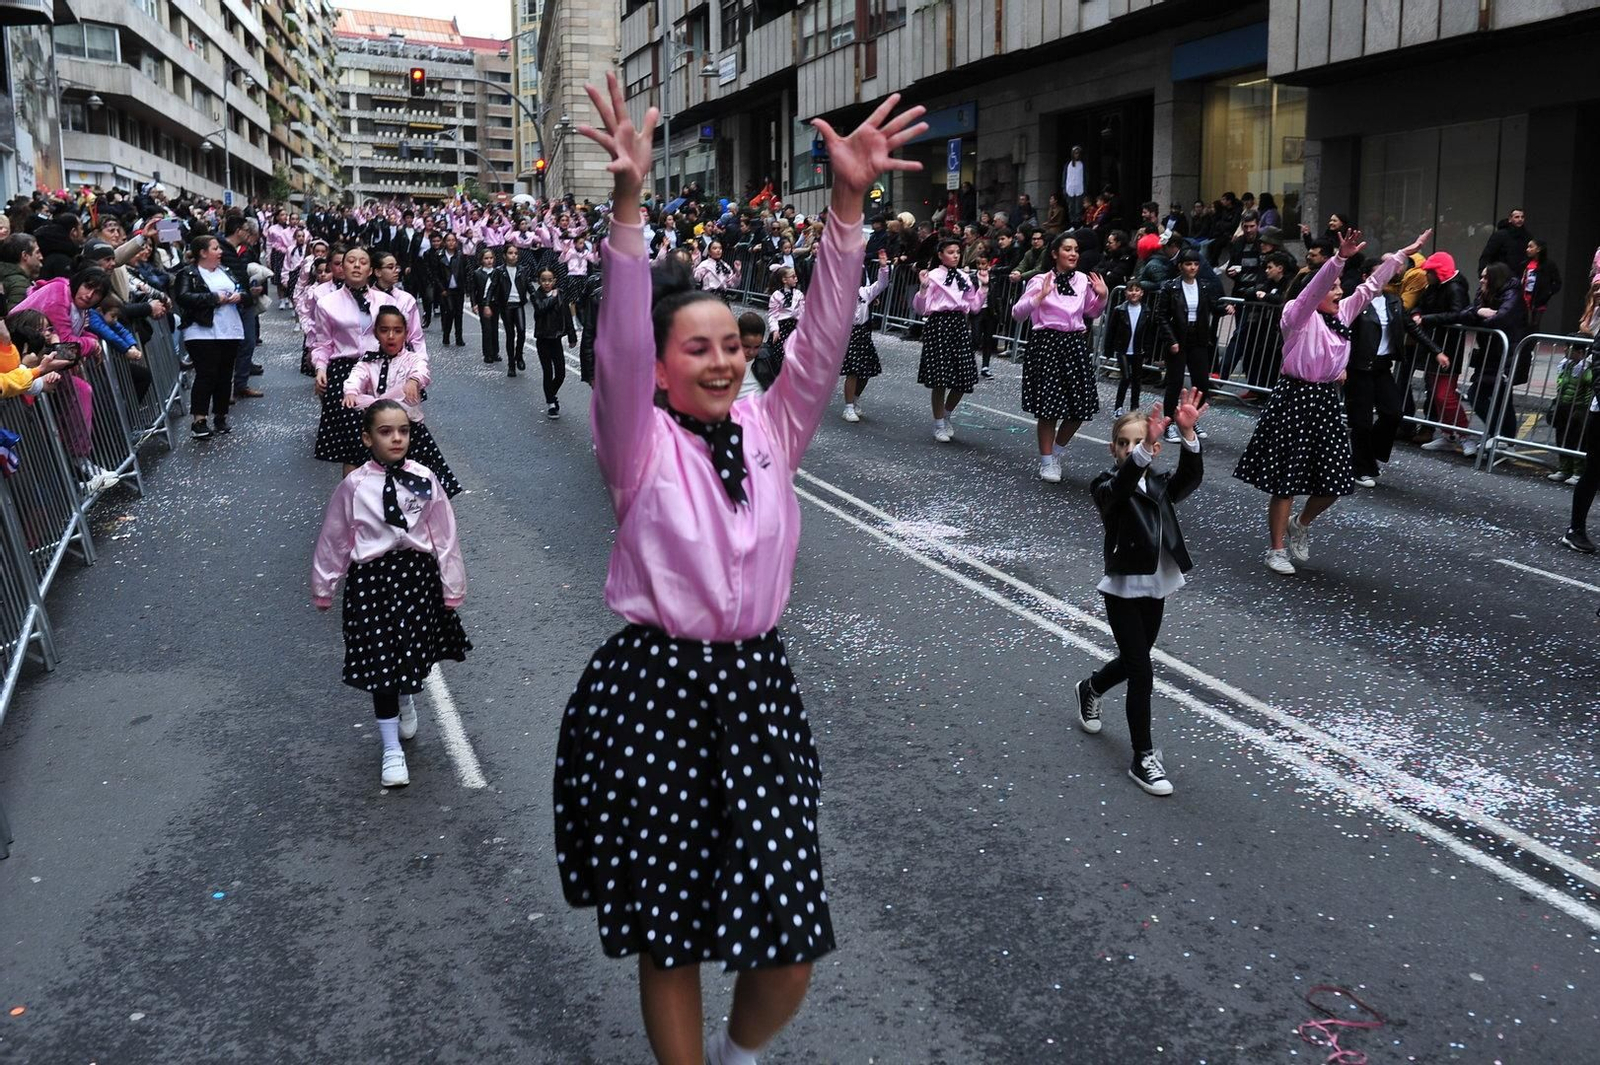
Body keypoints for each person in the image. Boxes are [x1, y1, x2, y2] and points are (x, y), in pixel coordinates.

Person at [553, 71, 923, 1065]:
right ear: (662, 366)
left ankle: (744, 1055)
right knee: (667, 934)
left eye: (734, 345)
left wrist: (848, 208)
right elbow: (619, 344)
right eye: (699, 348)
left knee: (789, 939)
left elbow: (826, 337)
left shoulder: (772, 426)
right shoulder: (635, 442)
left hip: (755, 690)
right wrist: (629, 209)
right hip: (657, 693)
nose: (724, 361)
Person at [1234, 227, 1430, 574]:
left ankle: (1301, 523)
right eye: (1334, 288)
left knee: (1338, 478)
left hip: (1324, 399)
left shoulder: (1342, 315)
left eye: (1340, 287)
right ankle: (1276, 549)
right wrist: (1339, 259)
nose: (1340, 292)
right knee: (1286, 481)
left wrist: (1402, 254)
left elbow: (1370, 287)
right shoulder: (1298, 314)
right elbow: (1313, 291)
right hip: (1293, 398)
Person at [311, 400, 470, 789]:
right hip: (372, 580)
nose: (396, 438)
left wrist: (452, 587)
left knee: (410, 654)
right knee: (379, 660)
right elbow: (335, 538)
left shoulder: (424, 479)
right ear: (367, 438)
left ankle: (405, 697)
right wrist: (325, 584)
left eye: (403, 430)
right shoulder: (354, 486)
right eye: (385, 431)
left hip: (417, 578)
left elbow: (444, 538)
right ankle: (390, 749)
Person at [1075, 393, 1206, 795]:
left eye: (1139, 442)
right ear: (1113, 448)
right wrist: (1144, 452)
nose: (1130, 449)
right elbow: (1123, 485)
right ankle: (1142, 757)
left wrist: (1188, 433)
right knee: (1142, 672)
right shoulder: (1105, 486)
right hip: (1122, 590)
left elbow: (1191, 478)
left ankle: (1091, 687)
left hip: (1156, 585)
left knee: (1136, 662)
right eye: (1124, 443)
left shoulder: (1160, 484)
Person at [1011, 233, 1108, 482]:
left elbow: (1091, 311)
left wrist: (1102, 296)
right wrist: (1038, 298)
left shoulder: (1083, 280)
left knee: (1080, 407)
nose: (1074, 254)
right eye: (1067, 249)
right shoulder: (1039, 280)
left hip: (1074, 344)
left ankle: (1056, 452)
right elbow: (1018, 314)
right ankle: (1046, 462)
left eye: (1076, 249)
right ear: (1055, 254)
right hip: (1046, 344)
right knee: (1049, 409)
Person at [343, 305, 460, 497]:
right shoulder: (368, 361)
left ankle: (422, 513)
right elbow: (356, 376)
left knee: (421, 482)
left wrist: (413, 381)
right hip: (379, 430)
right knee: (366, 474)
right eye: (384, 330)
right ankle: (360, 504)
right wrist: (351, 391)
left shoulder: (411, 359)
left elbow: (422, 371)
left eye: (397, 331)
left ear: (405, 334)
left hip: (409, 430)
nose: (391, 336)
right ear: (375, 333)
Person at [311, 246, 384, 474]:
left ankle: (380, 500)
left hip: (379, 370)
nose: (356, 265)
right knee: (354, 446)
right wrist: (321, 368)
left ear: (371, 270)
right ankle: (352, 503)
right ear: (341, 267)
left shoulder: (386, 301)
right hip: (344, 373)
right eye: (350, 261)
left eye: (363, 262)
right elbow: (322, 343)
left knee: (381, 440)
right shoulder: (327, 303)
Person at [171, 235, 245, 440]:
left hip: (229, 329)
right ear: (203, 253)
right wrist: (214, 298)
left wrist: (242, 296)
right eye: (215, 248)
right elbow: (183, 297)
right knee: (206, 373)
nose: (220, 252)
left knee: (224, 373)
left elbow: (243, 290)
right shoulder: (188, 273)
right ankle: (199, 420)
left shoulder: (226, 271)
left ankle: (220, 416)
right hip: (201, 330)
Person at [914, 237, 988, 442]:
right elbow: (920, 308)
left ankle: (946, 414)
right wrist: (922, 288)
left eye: (957, 252)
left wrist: (983, 287)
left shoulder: (964, 277)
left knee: (964, 377)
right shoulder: (933, 276)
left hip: (958, 324)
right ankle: (938, 423)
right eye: (950, 252)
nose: (955, 255)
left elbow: (974, 307)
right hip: (938, 325)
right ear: (940, 255)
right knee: (940, 379)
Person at [1154, 248, 1230, 440]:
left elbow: (1212, 306)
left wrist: (1225, 308)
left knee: (1201, 383)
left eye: (1196, 264)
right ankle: (1169, 422)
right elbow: (1161, 315)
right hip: (1178, 337)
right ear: (1180, 266)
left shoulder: (1203, 286)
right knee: (1175, 382)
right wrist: (1171, 340)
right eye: (1188, 264)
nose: (1193, 267)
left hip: (1199, 338)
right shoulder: (1171, 287)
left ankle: (1191, 420)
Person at [1345, 258, 1407, 487]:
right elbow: (1343, 335)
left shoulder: (1393, 301)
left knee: (1393, 413)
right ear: (1366, 278)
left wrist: (1437, 351)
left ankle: (1368, 456)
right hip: (1359, 368)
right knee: (1361, 421)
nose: (1384, 277)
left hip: (1382, 367)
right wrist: (1340, 365)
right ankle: (1360, 468)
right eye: (1378, 273)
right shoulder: (1356, 303)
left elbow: (1410, 326)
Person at [841, 253, 892, 422]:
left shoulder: (864, 292)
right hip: (848, 333)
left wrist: (883, 267)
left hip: (863, 332)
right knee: (853, 371)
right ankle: (848, 407)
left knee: (866, 371)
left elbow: (882, 284)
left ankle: (855, 399)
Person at [529, 267, 576, 417]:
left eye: (550, 280)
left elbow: (567, 315)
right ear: (539, 281)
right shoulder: (536, 295)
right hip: (543, 339)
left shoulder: (561, 294)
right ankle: (551, 404)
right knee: (548, 372)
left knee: (561, 373)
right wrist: (553, 298)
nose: (547, 283)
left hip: (556, 339)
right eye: (544, 280)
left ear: (554, 281)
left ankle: (551, 394)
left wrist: (571, 335)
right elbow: (541, 308)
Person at [1105, 280, 1156, 417]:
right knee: (1126, 377)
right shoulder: (1119, 310)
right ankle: (1118, 407)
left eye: (1137, 290)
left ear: (1142, 293)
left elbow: (1149, 333)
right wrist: (1108, 349)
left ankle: (1134, 407)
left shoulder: (1146, 311)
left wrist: (1148, 350)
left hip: (1138, 350)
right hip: (1122, 349)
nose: (1134, 293)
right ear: (1125, 292)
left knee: (1136, 380)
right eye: (1130, 290)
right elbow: (1111, 330)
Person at [495, 244, 531, 376]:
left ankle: (519, 355)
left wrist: (538, 298)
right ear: (505, 256)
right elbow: (493, 287)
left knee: (521, 331)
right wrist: (486, 304)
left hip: (519, 304)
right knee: (510, 334)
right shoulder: (499, 271)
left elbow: (529, 286)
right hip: (506, 306)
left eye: (516, 253)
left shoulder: (523, 270)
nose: (513, 255)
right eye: (510, 253)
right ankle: (511, 365)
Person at [430, 232, 470, 347]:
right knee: (450, 312)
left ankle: (459, 337)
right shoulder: (439, 255)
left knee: (459, 313)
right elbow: (435, 274)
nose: (451, 242)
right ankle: (446, 335)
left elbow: (466, 272)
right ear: (444, 242)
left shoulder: (460, 255)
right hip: (446, 289)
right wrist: (441, 288)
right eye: (448, 240)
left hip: (458, 288)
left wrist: (466, 287)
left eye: (453, 240)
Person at [470, 247, 507, 365]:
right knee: (486, 328)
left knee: (494, 327)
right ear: (481, 260)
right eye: (486, 258)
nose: (489, 261)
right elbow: (473, 290)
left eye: (491, 258)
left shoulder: (497, 272)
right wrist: (474, 304)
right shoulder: (477, 273)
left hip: (495, 303)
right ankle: (487, 353)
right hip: (482, 303)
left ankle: (495, 352)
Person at [1521, 238, 1561, 332]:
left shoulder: (1549, 265)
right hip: (1523, 298)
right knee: (1522, 324)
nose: (1527, 249)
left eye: (1531, 247)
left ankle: (1531, 346)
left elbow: (1557, 282)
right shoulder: (1525, 263)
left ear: (1538, 249)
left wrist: (1547, 293)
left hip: (1538, 301)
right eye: (1527, 247)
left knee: (1534, 325)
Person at [1478, 208, 1531, 275]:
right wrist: (1482, 273)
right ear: (1510, 219)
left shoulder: (1527, 236)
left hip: (1520, 275)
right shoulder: (1500, 235)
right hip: (1501, 275)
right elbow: (1487, 255)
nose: (1520, 219)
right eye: (1517, 217)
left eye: (1522, 217)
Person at [1061, 145, 1085, 225]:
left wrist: (1085, 189)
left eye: (1078, 153)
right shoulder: (1068, 165)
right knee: (1071, 209)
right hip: (1070, 189)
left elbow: (1085, 178)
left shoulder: (1082, 165)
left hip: (1079, 190)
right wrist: (1064, 189)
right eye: (1075, 153)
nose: (1076, 155)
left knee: (1078, 208)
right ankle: (1072, 223)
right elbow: (1064, 178)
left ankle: (1078, 224)